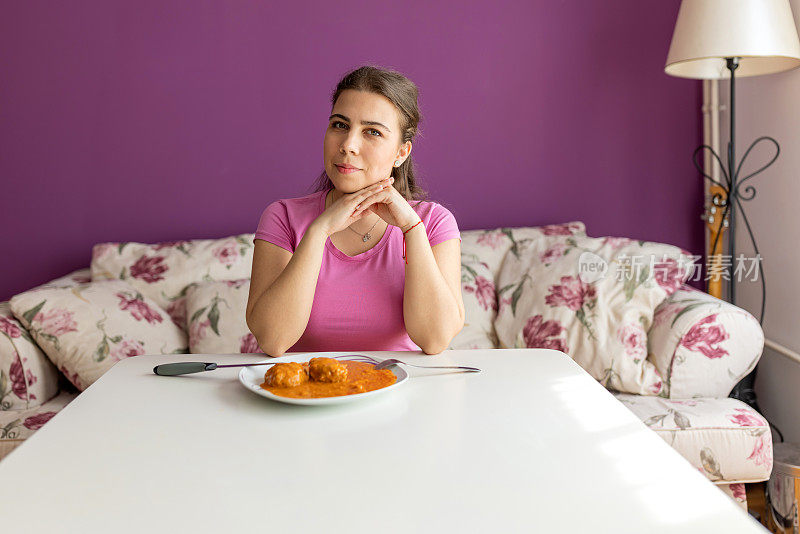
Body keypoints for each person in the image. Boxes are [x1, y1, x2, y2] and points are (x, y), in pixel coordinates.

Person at [246, 65, 464, 356]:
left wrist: (412, 230)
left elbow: (435, 340)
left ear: (401, 153)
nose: (348, 145)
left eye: (372, 132)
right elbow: (273, 341)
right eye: (339, 125)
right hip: (306, 396)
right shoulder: (282, 217)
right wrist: (319, 230)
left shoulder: (433, 222)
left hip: (401, 392)